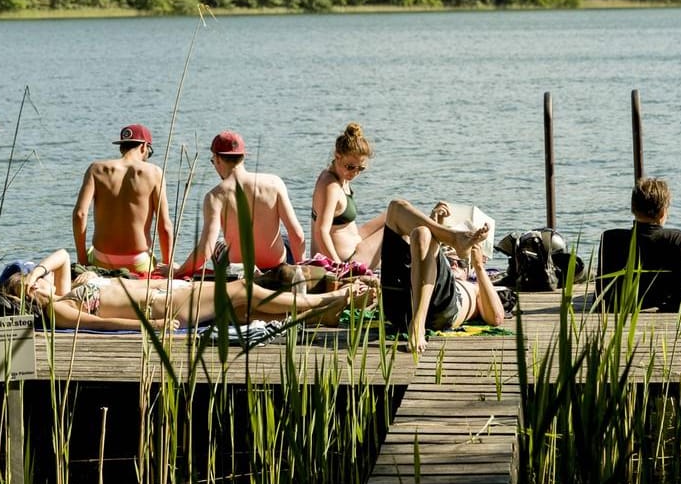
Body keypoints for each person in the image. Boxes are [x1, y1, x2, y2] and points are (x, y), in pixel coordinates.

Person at [0, 249, 373, 331]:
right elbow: (96, 324)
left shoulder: (64, 286)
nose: (46, 275)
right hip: (167, 306)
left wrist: (37, 272)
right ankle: (327, 298)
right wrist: (149, 328)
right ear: (28, 293)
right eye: (36, 278)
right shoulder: (58, 310)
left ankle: (318, 314)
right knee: (242, 289)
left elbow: (63, 255)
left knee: (244, 312)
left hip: (171, 291)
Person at [173, 130, 307, 276]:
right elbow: (298, 235)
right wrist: (302, 270)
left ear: (217, 159)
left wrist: (177, 272)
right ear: (243, 157)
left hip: (241, 269)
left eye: (213, 161)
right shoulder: (274, 183)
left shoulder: (215, 196)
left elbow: (206, 249)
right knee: (285, 238)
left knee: (218, 244)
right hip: (277, 266)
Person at [390, 200, 507, 350]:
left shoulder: (474, 287)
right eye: (449, 259)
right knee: (395, 208)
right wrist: (434, 224)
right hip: (400, 300)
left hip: (441, 307)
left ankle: (418, 324)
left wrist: (479, 267)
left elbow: (496, 317)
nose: (453, 264)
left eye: (461, 263)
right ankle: (446, 235)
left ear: (468, 269)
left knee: (422, 232)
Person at [73, 123, 174, 274]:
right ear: (144, 147)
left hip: (101, 259)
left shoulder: (96, 169)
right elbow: (164, 226)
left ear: (122, 148)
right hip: (138, 262)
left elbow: (80, 215)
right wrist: (167, 264)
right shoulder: (154, 173)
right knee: (156, 260)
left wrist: (82, 260)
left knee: (91, 252)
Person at [596, 176, 681, 312]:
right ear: (662, 212)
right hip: (658, 306)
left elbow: (601, 294)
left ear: (633, 209)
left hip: (616, 306)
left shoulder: (610, 238)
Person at [310, 122, 388, 268]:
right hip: (346, 260)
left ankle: (433, 229)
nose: (355, 173)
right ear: (337, 156)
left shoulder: (341, 177)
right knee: (398, 227)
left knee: (394, 211)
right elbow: (321, 231)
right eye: (351, 167)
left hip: (355, 243)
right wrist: (339, 268)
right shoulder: (331, 186)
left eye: (361, 168)